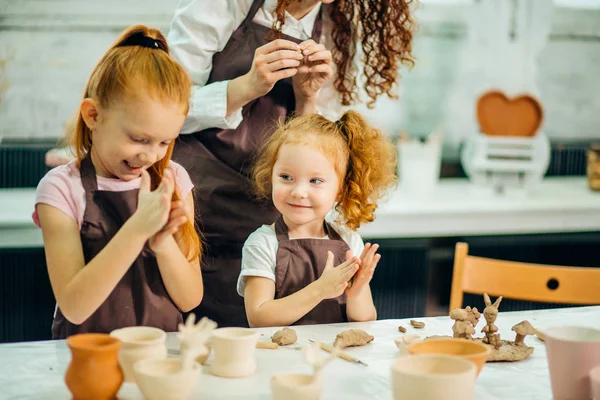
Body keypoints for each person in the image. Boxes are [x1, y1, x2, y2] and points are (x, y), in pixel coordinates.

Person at [167, 0, 415, 326]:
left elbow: (316, 147)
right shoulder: (221, 5)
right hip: (197, 209)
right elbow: (166, 110)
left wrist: (307, 97)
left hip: (270, 209)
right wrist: (245, 87)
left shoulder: (335, 29)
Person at [33, 25, 203, 339]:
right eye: (139, 139)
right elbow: (74, 306)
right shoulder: (60, 189)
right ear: (93, 115)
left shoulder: (175, 181)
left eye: (165, 142)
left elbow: (190, 298)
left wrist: (162, 243)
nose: (150, 156)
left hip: (160, 356)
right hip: (87, 358)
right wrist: (138, 230)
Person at [238, 110, 397, 327]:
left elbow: (365, 320)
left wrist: (356, 293)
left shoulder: (349, 241)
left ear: (340, 190)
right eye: (286, 177)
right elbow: (259, 318)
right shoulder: (262, 244)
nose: (299, 192)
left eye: (315, 181)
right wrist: (320, 290)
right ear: (271, 176)